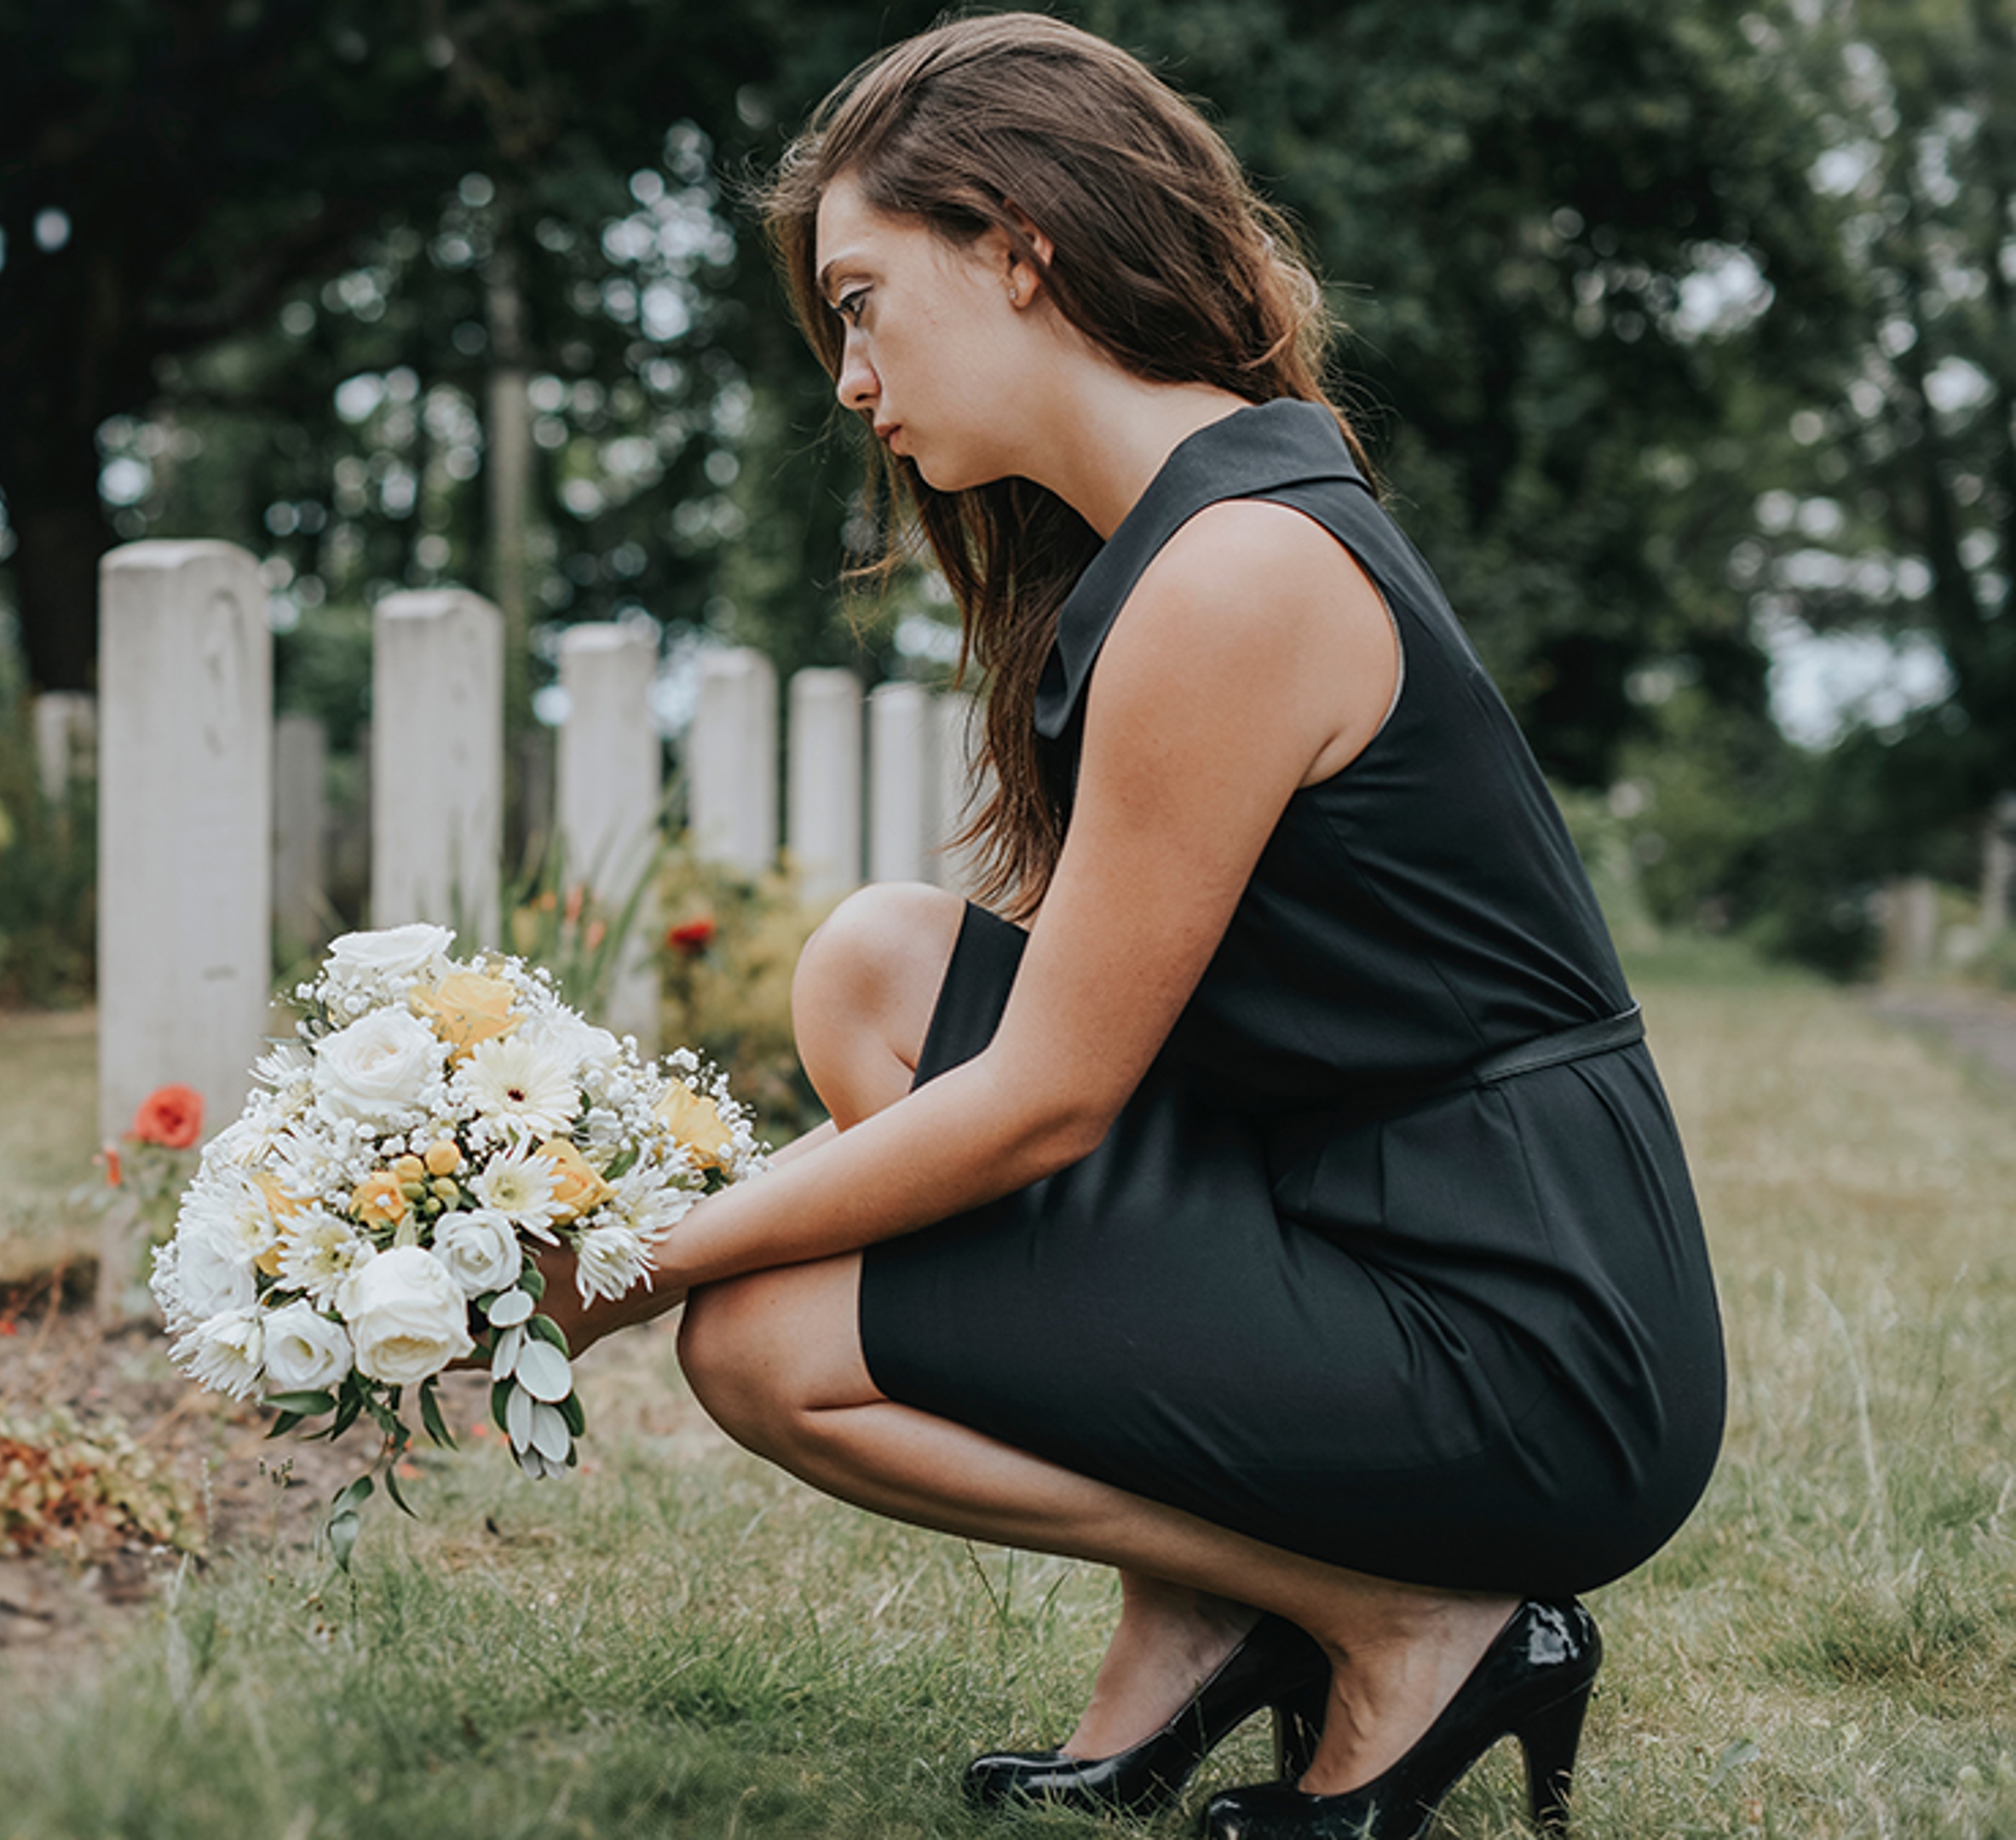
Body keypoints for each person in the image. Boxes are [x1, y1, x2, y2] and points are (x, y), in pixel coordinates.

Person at [534, 16, 1725, 1838]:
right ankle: (1207, 1606)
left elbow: (1046, 1103)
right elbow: (1039, 1041)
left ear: (1020, 245)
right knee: (877, 966)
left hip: (1526, 1334)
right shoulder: (1177, 539)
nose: (851, 376)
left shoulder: (1235, 574)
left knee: (758, 1344)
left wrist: (643, 1262)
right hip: (1351, 1205)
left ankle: (1407, 1617)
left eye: (863, 301)